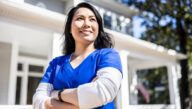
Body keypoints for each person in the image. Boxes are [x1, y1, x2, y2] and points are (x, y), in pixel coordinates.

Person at [33, 2, 122, 109]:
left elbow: (103, 92)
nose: (87, 24)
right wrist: (84, 101)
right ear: (69, 28)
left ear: (98, 28)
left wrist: (56, 94)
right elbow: (37, 102)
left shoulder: (108, 56)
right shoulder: (56, 64)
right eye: (80, 18)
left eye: (92, 19)